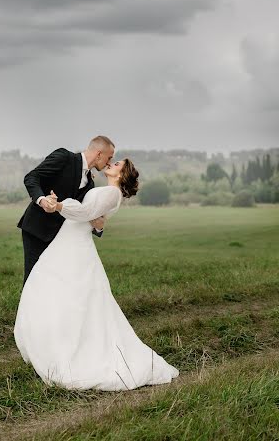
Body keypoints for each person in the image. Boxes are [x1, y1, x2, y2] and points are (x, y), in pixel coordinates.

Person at [14, 157, 180, 391]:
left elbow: (86, 212)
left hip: (74, 246)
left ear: (122, 174)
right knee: (61, 295)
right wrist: (93, 221)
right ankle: (55, 344)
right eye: (112, 159)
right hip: (69, 243)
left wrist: (59, 205)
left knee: (67, 297)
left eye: (118, 163)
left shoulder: (112, 193)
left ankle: (66, 350)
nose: (113, 163)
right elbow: (94, 218)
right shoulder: (104, 190)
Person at [17, 136, 115, 285]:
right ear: (99, 154)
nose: (109, 162)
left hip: (62, 238)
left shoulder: (90, 183)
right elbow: (32, 177)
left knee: (55, 280)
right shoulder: (64, 157)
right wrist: (42, 200)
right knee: (33, 279)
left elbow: (83, 212)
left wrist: (98, 228)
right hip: (37, 229)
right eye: (110, 157)